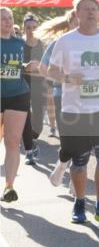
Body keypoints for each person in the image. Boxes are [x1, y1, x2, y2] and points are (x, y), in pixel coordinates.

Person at [46, 0, 99, 224]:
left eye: (94, 9)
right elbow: (51, 71)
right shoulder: (66, 41)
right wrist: (69, 78)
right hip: (75, 109)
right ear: (77, 13)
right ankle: (79, 202)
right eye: (85, 9)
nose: (90, 12)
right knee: (80, 160)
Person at [1, 8, 41, 203]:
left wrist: (27, 66)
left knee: (13, 140)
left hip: (18, 93)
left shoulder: (19, 43)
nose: (8, 22)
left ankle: (9, 186)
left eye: (10, 18)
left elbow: (20, 65)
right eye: (3, 19)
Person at [37, 10, 78, 182]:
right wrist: (64, 78)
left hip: (87, 98)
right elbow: (42, 68)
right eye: (78, 20)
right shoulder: (59, 43)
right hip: (62, 95)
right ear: (70, 22)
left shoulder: (94, 43)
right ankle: (62, 166)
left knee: (84, 141)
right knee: (68, 139)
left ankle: (76, 179)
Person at [20, 14, 46, 165]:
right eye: (28, 27)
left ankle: (32, 138)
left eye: (34, 27)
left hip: (39, 82)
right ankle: (29, 150)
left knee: (39, 120)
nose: (31, 30)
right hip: (22, 82)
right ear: (24, 28)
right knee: (25, 114)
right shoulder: (19, 43)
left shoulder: (43, 44)